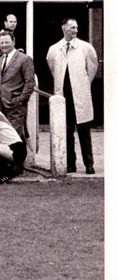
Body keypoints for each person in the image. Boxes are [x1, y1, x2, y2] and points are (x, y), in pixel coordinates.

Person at [46, 18, 98, 174]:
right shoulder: (54, 49)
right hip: (64, 95)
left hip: (80, 95)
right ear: (64, 28)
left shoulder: (85, 48)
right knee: (66, 130)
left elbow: (92, 67)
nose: (75, 30)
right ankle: (70, 163)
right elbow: (52, 67)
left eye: (76, 27)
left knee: (84, 130)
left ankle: (89, 164)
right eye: (72, 27)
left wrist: (82, 84)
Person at [0, 30, 35, 141]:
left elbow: (30, 82)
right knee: (1, 135)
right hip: (0, 104)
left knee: (15, 136)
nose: (4, 45)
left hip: (15, 105)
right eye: (2, 43)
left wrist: (21, 100)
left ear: (13, 42)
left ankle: (19, 158)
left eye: (7, 42)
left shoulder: (24, 59)